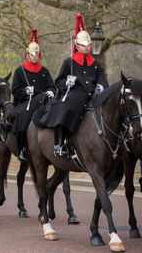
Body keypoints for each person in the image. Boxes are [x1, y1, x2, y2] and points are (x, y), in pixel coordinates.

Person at [38, 14, 108, 157]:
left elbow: (102, 80)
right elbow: (59, 81)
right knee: (67, 106)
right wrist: (67, 82)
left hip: (92, 95)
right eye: (84, 45)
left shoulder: (95, 65)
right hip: (73, 94)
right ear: (77, 45)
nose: (87, 47)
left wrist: (101, 87)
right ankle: (59, 144)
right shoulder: (69, 62)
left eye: (89, 45)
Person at [11, 29, 56, 162]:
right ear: (28, 54)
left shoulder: (44, 71)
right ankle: (21, 149)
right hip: (25, 103)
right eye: (32, 54)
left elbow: (51, 85)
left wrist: (51, 91)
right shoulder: (20, 71)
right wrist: (25, 91)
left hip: (42, 101)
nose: (34, 56)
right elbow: (15, 90)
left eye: (36, 54)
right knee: (23, 116)